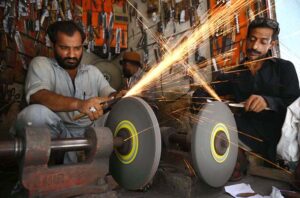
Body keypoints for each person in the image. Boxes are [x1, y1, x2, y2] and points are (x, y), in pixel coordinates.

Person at [192, 17, 300, 174]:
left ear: (272, 44)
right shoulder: (236, 73)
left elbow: (295, 106)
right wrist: (201, 103)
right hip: (244, 132)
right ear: (246, 40)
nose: (255, 46)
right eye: (252, 39)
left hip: (276, 138)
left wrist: (268, 102)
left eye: (263, 42)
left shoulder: (285, 69)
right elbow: (206, 90)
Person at [11, 21, 121, 163]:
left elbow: (109, 93)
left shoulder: (92, 72)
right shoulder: (41, 64)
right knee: (33, 114)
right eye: (64, 48)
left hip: (90, 131)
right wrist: (79, 104)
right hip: (58, 132)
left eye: (77, 48)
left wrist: (116, 96)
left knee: (120, 112)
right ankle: (50, 163)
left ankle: (99, 162)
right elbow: (37, 95)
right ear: (53, 45)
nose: (71, 54)